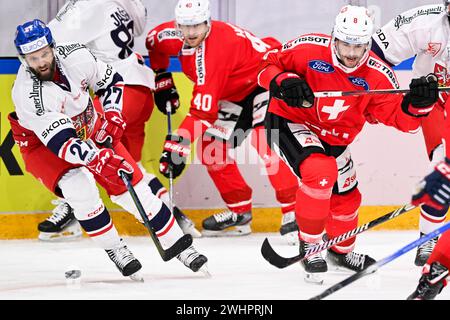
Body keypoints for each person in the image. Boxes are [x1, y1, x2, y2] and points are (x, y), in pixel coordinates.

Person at [9, 19, 208, 279]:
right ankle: (115, 248)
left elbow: (111, 81)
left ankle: (180, 245)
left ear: (53, 47)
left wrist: (113, 115)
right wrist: (98, 158)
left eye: (45, 53)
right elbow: (64, 143)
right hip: (41, 143)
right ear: (23, 59)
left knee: (133, 184)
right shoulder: (27, 94)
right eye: (34, 58)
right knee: (79, 187)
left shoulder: (76, 55)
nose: (42, 62)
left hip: (87, 120)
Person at [258, 5, 439, 283]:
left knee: (348, 198)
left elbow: (404, 121)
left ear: (368, 43)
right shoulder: (307, 48)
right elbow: (263, 66)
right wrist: (283, 80)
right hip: (288, 122)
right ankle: (311, 245)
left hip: (335, 138)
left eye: (359, 46)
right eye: (345, 45)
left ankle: (340, 251)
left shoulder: (378, 75)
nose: (352, 54)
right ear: (334, 37)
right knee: (320, 173)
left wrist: (418, 105)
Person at [36, 0, 201, 242]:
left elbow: (45, 42)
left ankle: (71, 213)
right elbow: (140, 25)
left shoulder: (85, 5)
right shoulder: (121, 4)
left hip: (117, 92)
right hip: (140, 90)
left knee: (77, 144)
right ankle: (173, 217)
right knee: (131, 165)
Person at [145, 0, 300, 240]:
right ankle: (239, 213)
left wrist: (177, 145)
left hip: (263, 81)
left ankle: (294, 211)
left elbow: (202, 114)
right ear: (177, 25)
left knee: (266, 141)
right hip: (234, 93)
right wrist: (162, 76)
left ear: (208, 22)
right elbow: (153, 43)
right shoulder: (168, 35)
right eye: (185, 26)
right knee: (212, 148)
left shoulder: (216, 50)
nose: (191, 33)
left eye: (197, 26)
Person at [371, 2, 450, 266]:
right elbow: (375, 53)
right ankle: (428, 239)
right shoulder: (426, 22)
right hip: (435, 99)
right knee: (444, 164)